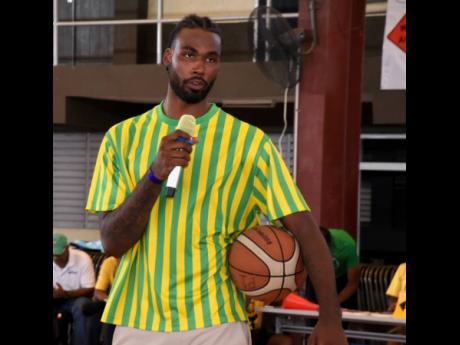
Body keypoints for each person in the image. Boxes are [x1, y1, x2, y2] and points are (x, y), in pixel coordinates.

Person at [86, 14, 347, 345]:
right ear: (168, 58)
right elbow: (111, 242)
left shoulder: (249, 143)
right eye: (189, 55)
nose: (200, 67)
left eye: (211, 59)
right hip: (139, 321)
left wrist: (330, 317)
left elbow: (307, 231)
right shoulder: (121, 138)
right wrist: (154, 175)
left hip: (218, 322)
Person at [53, 233, 96, 345]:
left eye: (57, 255)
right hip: (55, 299)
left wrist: (65, 294)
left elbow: (89, 288)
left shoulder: (83, 258)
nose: (55, 258)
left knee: (83, 307)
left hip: (77, 299)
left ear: (67, 248)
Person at [305, 227, 360, 310]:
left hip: (340, 278)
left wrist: (334, 303)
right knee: (312, 311)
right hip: (317, 276)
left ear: (329, 245)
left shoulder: (347, 246)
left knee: (339, 314)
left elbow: (353, 284)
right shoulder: (305, 243)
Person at [83, 256, 120, 345]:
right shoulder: (111, 262)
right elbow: (98, 291)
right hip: (112, 304)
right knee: (92, 312)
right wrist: (109, 302)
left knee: (110, 318)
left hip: (132, 306)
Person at [385, 262, 406, 345]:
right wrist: (394, 305)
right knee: (395, 335)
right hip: (402, 316)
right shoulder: (403, 268)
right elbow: (393, 296)